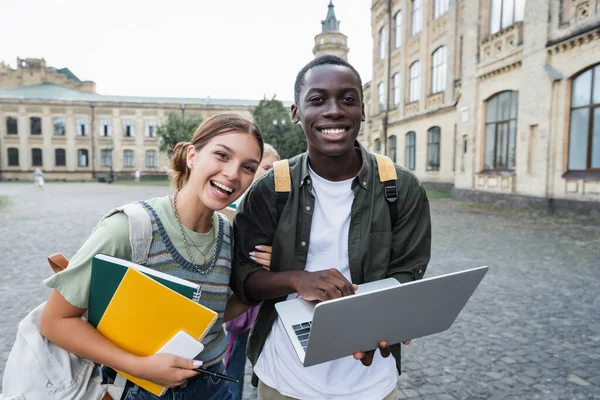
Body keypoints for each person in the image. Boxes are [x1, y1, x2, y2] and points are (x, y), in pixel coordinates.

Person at [231, 55, 432, 400]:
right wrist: (297, 279)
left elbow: (408, 275)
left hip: (371, 383)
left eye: (348, 99)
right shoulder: (271, 188)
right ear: (296, 112)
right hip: (286, 378)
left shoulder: (400, 188)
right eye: (318, 99)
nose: (334, 110)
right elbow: (244, 278)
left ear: (363, 111)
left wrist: (381, 322)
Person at [39, 111, 267, 400]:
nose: (233, 174)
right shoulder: (130, 227)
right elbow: (55, 322)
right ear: (192, 156)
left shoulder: (228, 233)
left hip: (212, 386)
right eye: (222, 155)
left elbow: (213, 315)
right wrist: (142, 367)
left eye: (248, 167)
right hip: (139, 389)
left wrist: (260, 283)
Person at [225, 143, 280, 400]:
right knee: (232, 357)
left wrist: (281, 258)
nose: (274, 174)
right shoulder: (228, 205)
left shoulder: (278, 205)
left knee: (267, 352)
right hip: (237, 300)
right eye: (268, 168)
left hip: (266, 299)